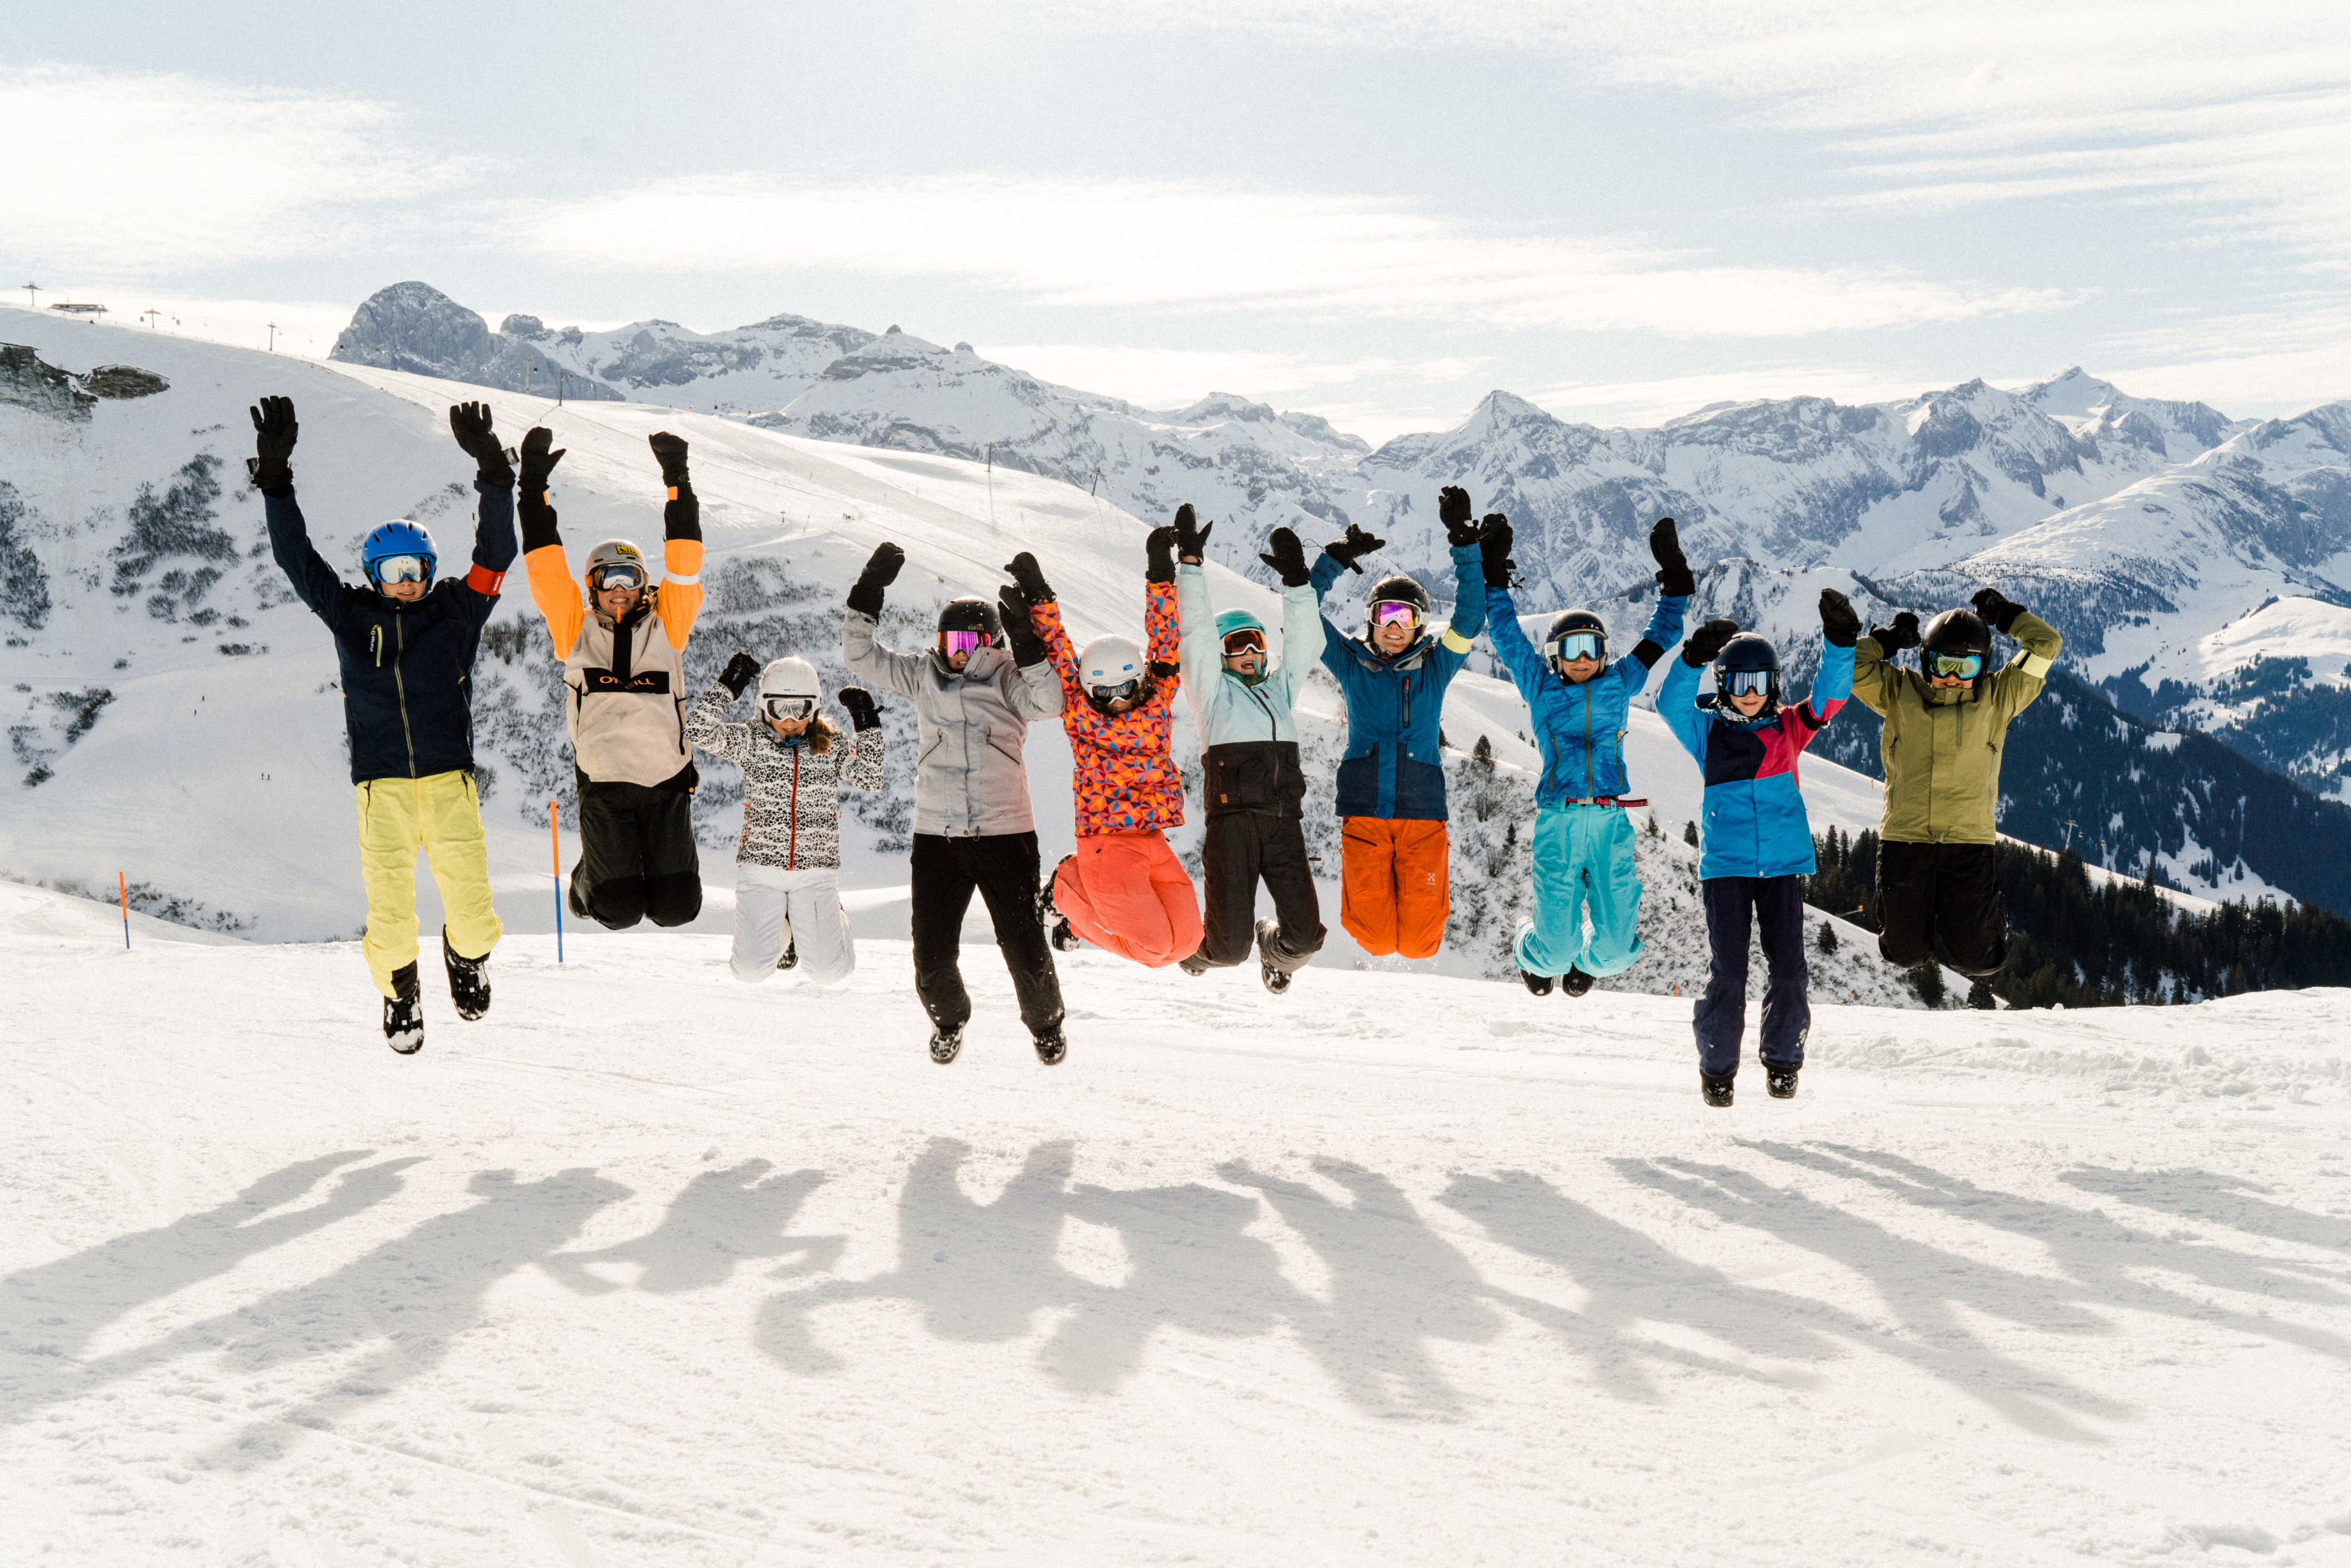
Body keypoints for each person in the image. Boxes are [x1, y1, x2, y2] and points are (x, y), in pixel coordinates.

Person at [251, 394, 515, 1054]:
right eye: (396, 572)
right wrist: (276, 478)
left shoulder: (458, 610)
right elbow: (296, 560)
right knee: (392, 919)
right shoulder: (348, 615)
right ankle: (401, 994)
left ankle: (464, 957)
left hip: (449, 782)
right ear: (374, 574)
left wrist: (493, 472)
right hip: (383, 791)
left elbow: (497, 551)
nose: (409, 582)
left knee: (478, 918)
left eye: (418, 570)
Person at [841, 542, 1069, 1064]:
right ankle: (949, 1020)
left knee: (1025, 949)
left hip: (1005, 834)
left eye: (967, 642)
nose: (955, 651)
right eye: (948, 641)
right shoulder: (924, 676)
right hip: (937, 836)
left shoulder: (1010, 678)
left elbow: (1050, 702)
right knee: (931, 952)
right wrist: (868, 591)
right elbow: (859, 655)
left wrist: (1030, 645)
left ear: (990, 643)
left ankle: (1046, 1025)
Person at [1478, 512, 1692, 994]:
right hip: (1560, 821)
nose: (1581, 659)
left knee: (1617, 952)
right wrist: (1493, 574)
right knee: (1553, 947)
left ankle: (1588, 966)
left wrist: (1675, 580)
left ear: (1603, 652)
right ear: (1554, 655)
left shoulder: (1621, 682)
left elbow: (1661, 635)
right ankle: (1529, 949)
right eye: (1570, 648)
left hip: (1611, 826)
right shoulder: (1541, 687)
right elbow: (1507, 637)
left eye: (1591, 648)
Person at [1659, 591, 1859, 1107]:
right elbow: (1669, 703)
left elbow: (1831, 698)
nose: (1752, 695)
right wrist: (1691, 658)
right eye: (1741, 684)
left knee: (1789, 968)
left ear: (1774, 686)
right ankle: (1719, 1069)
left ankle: (1783, 1062)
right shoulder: (1707, 732)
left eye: (1762, 683)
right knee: (1730, 972)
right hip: (1726, 867)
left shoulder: (1789, 728)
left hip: (1781, 866)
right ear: (1724, 685)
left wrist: (1839, 643)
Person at [517, 425, 707, 930]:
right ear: (592, 586)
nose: (619, 591)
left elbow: (685, 562)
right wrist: (532, 489)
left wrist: (677, 480)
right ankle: (588, 880)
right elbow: (544, 567)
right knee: (617, 909)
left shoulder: (670, 623)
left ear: (645, 586)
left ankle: (635, 870)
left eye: (631, 579)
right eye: (608, 580)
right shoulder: (573, 629)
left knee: (677, 909)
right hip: (603, 781)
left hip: (666, 779)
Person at [1305, 485, 1488, 959]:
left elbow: (1469, 617)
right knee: (1376, 936)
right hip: (1365, 811)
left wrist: (1464, 541)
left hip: (1422, 817)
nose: (1393, 624)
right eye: (1384, 613)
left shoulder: (1435, 666)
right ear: (1370, 621)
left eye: (1405, 616)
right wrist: (1335, 560)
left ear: (1419, 626)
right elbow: (1302, 615)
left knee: (1422, 943)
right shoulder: (1352, 663)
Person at [1850, 588, 2062, 979]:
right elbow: (1853, 666)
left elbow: (2047, 644)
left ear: (1982, 669)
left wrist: (2007, 616)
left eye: (1964, 669)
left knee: (1979, 961)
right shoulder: (1899, 691)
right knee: (1903, 954)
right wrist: (1891, 638)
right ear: (1925, 661)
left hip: (1968, 845)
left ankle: (1989, 912)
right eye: (1943, 665)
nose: (1951, 678)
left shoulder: (2000, 698)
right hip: (1905, 841)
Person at [1016, 532, 1203, 968]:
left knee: (1189, 941)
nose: (1117, 699)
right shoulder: (1079, 713)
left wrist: (1160, 572)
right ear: (1088, 689)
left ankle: (1076, 890)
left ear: (1140, 680)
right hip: (1105, 842)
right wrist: (1038, 595)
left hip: (1153, 836)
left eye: (1125, 687)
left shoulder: (1159, 695)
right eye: (1104, 691)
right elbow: (1059, 650)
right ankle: (1066, 891)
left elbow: (1165, 637)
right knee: (1156, 951)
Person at [1173, 505, 1327, 991]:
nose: (1250, 655)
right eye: (1237, 646)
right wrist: (1191, 564)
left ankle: (1275, 953)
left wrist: (1298, 583)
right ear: (1221, 655)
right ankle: (1194, 954)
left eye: (1257, 644)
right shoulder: (1212, 695)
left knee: (1305, 938)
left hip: (1284, 824)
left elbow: (1306, 642)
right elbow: (1195, 633)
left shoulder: (1279, 689)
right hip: (1233, 825)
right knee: (1226, 949)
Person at [684, 654, 885, 985]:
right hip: (761, 869)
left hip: (815, 871)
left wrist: (866, 722)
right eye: (779, 708)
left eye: (801, 709)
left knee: (829, 973)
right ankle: (785, 932)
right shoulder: (751, 741)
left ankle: (835, 915)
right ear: (764, 707)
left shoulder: (830, 745)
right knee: (748, 972)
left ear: (815, 708)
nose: (790, 720)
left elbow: (870, 778)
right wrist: (730, 684)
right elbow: (697, 730)